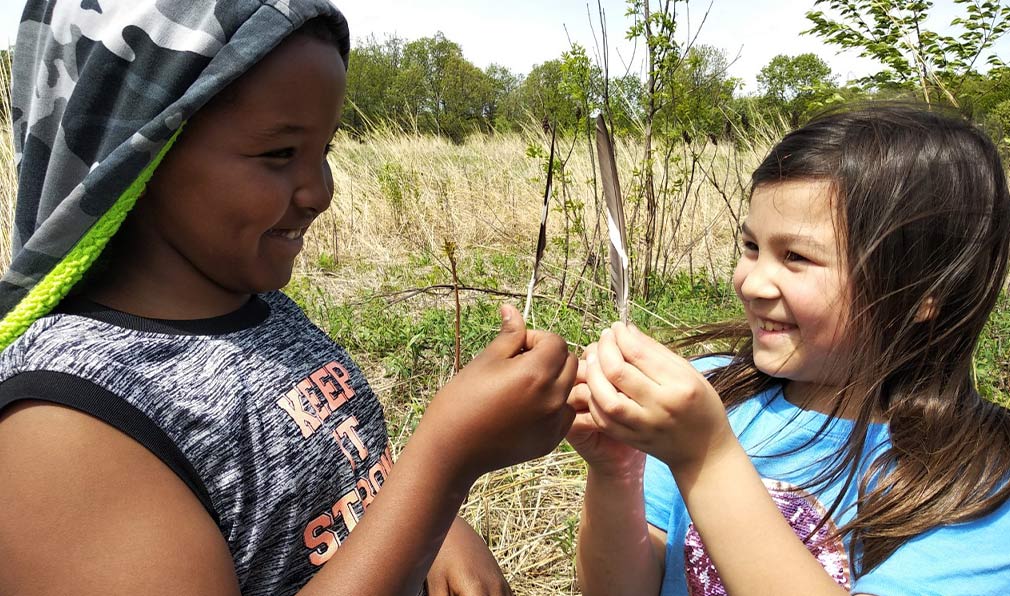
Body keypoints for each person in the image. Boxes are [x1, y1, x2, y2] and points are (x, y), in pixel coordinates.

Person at [0, 2, 576, 595]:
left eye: (324, 150)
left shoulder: (260, 311)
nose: (320, 192)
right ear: (134, 155)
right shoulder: (62, 427)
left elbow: (344, 490)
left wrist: (438, 527)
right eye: (279, 154)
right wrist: (444, 467)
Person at [568, 105, 1010, 595]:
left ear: (925, 290)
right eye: (752, 246)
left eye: (796, 257)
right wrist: (616, 471)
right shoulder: (714, 392)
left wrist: (706, 459)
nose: (751, 283)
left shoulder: (981, 480)